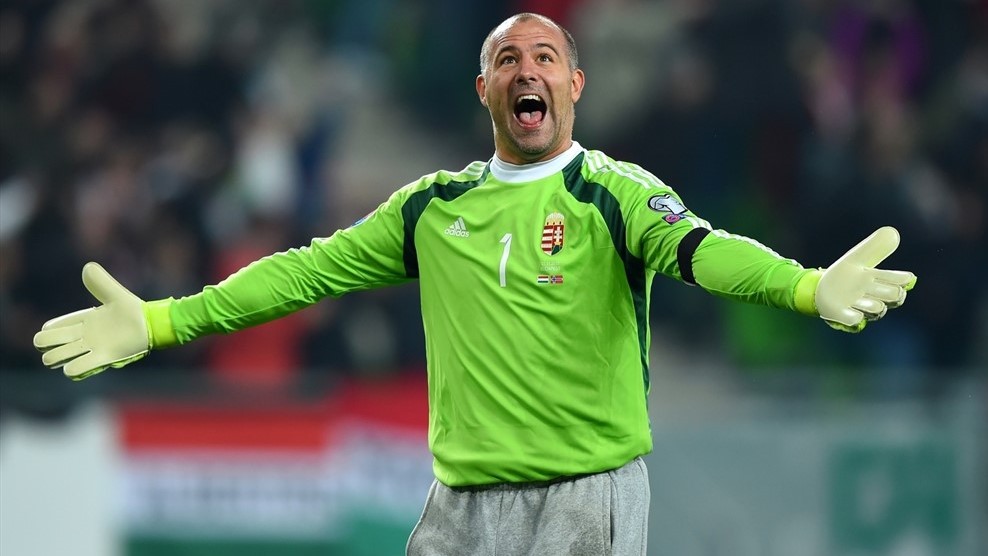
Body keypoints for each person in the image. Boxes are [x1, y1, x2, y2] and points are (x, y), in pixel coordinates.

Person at [33, 13, 916, 556]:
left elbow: (705, 251)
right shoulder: (431, 208)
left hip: (584, 497)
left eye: (544, 55)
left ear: (574, 81)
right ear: (485, 86)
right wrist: (163, 319)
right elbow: (305, 271)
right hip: (459, 502)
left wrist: (804, 288)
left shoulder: (616, 193)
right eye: (507, 58)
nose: (526, 68)